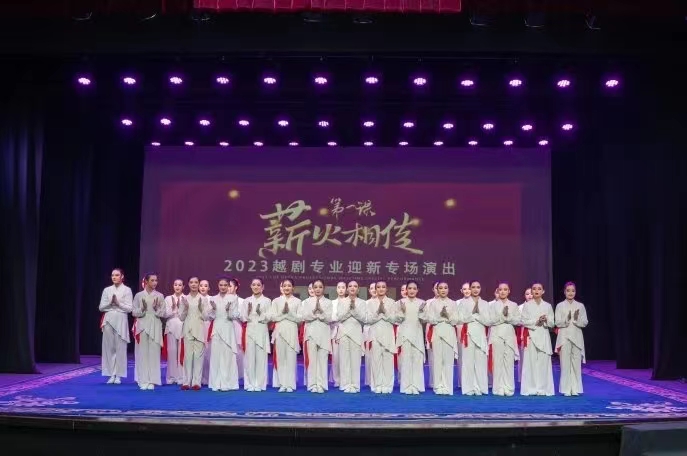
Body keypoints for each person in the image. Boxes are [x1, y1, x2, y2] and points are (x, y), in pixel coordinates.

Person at [422, 281, 460, 395]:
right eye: (441, 288)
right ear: (437, 290)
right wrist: (440, 316)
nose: (443, 290)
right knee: (437, 360)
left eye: (445, 288)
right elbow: (430, 319)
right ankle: (438, 386)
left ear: (448, 289)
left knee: (448, 361)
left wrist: (447, 316)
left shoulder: (453, 303)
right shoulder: (433, 303)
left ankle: (447, 386)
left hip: (449, 332)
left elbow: (456, 320)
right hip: (437, 332)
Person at [366, 281, 403, 394]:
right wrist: (378, 312)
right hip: (375, 334)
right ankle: (377, 385)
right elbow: (367, 320)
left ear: (387, 289)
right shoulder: (370, 303)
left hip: (387, 334)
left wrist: (385, 313)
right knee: (376, 361)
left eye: (383, 287)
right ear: (375, 289)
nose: (381, 289)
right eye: (378, 287)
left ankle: (387, 385)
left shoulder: (392, 302)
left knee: (388, 361)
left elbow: (395, 319)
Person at [132, 273, 166, 390]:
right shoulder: (138, 295)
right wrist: (142, 309)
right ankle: (143, 380)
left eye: (156, 280)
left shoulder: (160, 296)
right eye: (152, 280)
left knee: (154, 354)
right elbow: (134, 312)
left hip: (155, 325)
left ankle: (152, 380)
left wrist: (156, 309)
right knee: (142, 354)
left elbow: (163, 313)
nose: (155, 282)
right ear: (146, 281)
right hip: (142, 325)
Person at [520, 282, 555, 396]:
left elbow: (552, 323)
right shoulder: (527, 305)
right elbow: (523, 321)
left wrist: (546, 319)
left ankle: (543, 388)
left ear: (543, 291)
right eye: (534, 289)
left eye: (539, 289)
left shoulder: (547, 306)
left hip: (543, 336)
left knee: (543, 363)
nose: (536, 291)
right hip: (531, 336)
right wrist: (537, 321)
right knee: (530, 364)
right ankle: (531, 388)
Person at [99, 268, 133, 384]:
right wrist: (110, 303)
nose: (114, 277)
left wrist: (118, 304)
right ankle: (111, 374)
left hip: (121, 319)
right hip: (108, 319)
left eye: (117, 275)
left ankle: (118, 375)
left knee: (120, 348)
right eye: (113, 275)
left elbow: (129, 308)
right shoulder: (107, 290)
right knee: (109, 348)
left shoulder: (127, 290)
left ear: (122, 276)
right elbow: (101, 307)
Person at [207, 277, 241, 392]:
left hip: (228, 329)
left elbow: (234, 315)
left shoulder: (233, 298)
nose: (223, 287)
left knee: (227, 356)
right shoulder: (213, 299)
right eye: (221, 285)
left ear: (228, 286)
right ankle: (216, 383)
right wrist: (213, 309)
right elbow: (209, 317)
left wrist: (228, 310)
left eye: (225, 285)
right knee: (216, 356)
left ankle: (228, 383)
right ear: (218, 285)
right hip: (216, 329)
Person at [555, 282, 589, 396]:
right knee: (565, 364)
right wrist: (567, 319)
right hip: (564, 337)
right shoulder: (560, 306)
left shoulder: (580, 306)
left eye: (573, 291)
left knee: (576, 364)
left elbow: (585, 322)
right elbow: (557, 322)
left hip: (577, 337)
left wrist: (576, 320)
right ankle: (566, 389)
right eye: (568, 290)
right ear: (564, 292)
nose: (570, 293)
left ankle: (575, 388)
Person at [268, 278, 302, 392]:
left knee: (291, 359)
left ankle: (290, 384)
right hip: (279, 332)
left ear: (293, 288)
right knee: (281, 359)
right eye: (285, 286)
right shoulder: (276, 301)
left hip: (292, 331)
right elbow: (272, 317)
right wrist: (283, 313)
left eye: (289, 286)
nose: (287, 288)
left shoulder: (297, 302)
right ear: (281, 287)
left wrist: (289, 313)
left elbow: (300, 319)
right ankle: (282, 383)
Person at [299, 279, 333, 393]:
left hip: (324, 333)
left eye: (320, 287)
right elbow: (305, 317)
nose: (318, 289)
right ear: (312, 288)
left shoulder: (328, 302)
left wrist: (321, 312)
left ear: (324, 288)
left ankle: (322, 385)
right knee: (312, 361)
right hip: (311, 334)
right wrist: (314, 312)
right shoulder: (307, 302)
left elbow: (329, 318)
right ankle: (312, 384)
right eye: (316, 287)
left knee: (323, 360)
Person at [457, 281, 491, 395]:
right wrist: (472, 315)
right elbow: (459, 319)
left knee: (481, 362)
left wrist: (478, 316)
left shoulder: (485, 304)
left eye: (478, 287)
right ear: (470, 289)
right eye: (473, 287)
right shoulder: (463, 303)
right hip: (468, 334)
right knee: (468, 362)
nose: (475, 289)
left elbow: (488, 321)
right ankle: (468, 388)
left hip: (480, 334)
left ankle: (481, 388)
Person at [489, 282, 521, 396]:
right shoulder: (492, 306)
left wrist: (508, 317)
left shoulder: (514, 305)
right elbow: (489, 321)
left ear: (509, 291)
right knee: (497, 362)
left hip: (509, 335)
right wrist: (502, 317)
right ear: (498, 291)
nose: (503, 292)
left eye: (505, 289)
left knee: (508, 362)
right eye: (500, 289)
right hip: (496, 334)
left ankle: (509, 388)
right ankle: (498, 388)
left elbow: (518, 321)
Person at [336, 280, 367, 393]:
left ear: (358, 289)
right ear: (347, 289)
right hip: (343, 333)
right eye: (350, 286)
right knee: (344, 360)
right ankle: (345, 384)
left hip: (356, 333)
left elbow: (364, 318)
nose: (352, 288)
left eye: (355, 286)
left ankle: (355, 385)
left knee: (355, 361)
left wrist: (354, 311)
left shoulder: (362, 303)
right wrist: (350, 311)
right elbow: (339, 317)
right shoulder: (342, 301)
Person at [179, 277, 209, 390]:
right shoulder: (184, 299)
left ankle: (197, 382)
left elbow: (206, 317)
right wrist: (186, 308)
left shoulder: (203, 299)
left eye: (196, 282)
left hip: (199, 330)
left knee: (198, 357)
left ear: (199, 284)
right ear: (188, 284)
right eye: (191, 282)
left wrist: (201, 308)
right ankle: (186, 382)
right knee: (187, 357)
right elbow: (181, 317)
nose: (194, 284)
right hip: (187, 330)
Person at [396, 281, 426, 395]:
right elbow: (396, 319)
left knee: (417, 361)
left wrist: (421, 311)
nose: (412, 291)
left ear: (417, 290)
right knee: (406, 361)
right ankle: (406, 386)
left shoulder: (422, 303)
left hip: (417, 334)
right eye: (410, 288)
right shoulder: (400, 303)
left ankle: (417, 386)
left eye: (414, 288)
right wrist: (402, 311)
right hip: (405, 335)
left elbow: (425, 320)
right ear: (406, 290)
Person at [242, 278, 271, 391]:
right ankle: (249, 384)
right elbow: (243, 317)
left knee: (261, 359)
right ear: (250, 286)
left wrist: (260, 313)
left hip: (261, 330)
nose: (256, 287)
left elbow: (270, 317)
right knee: (249, 358)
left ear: (262, 287)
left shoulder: (267, 301)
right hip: (250, 330)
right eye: (253, 284)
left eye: (258, 285)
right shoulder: (246, 301)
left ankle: (259, 384)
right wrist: (248, 312)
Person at [164, 279, 185, 385]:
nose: (177, 287)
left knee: (181, 353)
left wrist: (180, 309)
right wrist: (172, 309)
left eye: (180, 285)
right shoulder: (168, 298)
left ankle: (181, 377)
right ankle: (171, 377)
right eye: (175, 284)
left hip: (182, 326)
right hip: (171, 326)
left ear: (183, 287)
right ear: (173, 286)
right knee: (172, 352)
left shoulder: (186, 298)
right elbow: (164, 314)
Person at [329, 281, 347, 387]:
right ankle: (337, 380)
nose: (341, 289)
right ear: (336, 289)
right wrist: (337, 318)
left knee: (345, 357)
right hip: (335, 331)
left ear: (346, 289)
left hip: (346, 331)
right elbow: (330, 317)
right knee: (336, 357)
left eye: (343, 287)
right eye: (339, 287)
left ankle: (345, 379)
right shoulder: (332, 303)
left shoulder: (349, 302)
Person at [425, 281, 440, 389]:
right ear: (433, 290)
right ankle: (433, 381)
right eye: (436, 288)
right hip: (431, 330)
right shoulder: (428, 302)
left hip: (443, 331)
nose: (438, 290)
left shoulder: (450, 302)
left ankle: (442, 381)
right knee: (432, 358)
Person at [517, 287, 533, 382]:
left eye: (531, 293)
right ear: (524, 296)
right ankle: (523, 380)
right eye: (527, 294)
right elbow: (518, 321)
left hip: (535, 335)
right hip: (524, 335)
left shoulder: (538, 306)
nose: (530, 296)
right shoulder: (520, 307)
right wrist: (528, 321)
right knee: (523, 358)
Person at [198, 279, 212, 385]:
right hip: (197, 326)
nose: (203, 287)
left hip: (208, 326)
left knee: (208, 353)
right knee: (198, 353)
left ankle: (208, 378)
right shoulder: (195, 298)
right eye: (201, 285)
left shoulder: (212, 299)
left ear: (209, 288)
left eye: (205, 286)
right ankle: (197, 378)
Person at [363, 282, 377, 386]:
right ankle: (369, 380)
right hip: (368, 330)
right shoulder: (365, 303)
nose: (374, 290)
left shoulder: (384, 302)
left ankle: (378, 379)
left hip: (379, 330)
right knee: (368, 356)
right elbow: (364, 318)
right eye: (372, 288)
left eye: (376, 287)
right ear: (369, 291)